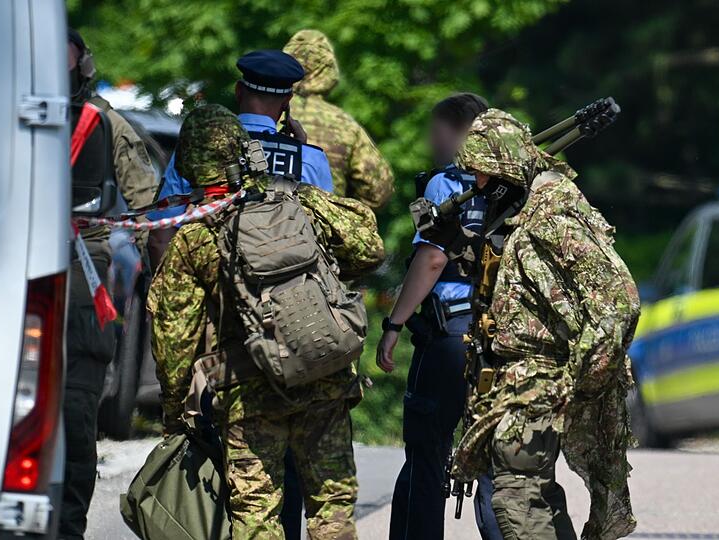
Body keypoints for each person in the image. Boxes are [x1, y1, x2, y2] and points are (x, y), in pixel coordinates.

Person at [149, 104, 385, 539]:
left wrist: (174, 413)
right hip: (323, 375)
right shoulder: (299, 200)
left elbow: (174, 336)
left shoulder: (195, 236)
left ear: (190, 164)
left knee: (257, 515)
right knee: (331, 506)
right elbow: (370, 249)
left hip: (248, 393)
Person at [449, 109, 640, 540]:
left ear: (508, 168)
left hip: (544, 379)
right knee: (528, 494)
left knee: (518, 497)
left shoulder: (552, 216)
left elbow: (619, 302)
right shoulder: (524, 211)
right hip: (522, 379)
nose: (477, 186)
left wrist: (579, 382)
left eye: (483, 174)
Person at [375, 93, 500, 540]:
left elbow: (430, 260)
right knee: (494, 459)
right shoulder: (520, 188)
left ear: (457, 130)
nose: (432, 140)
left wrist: (392, 325)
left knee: (428, 454)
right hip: (504, 336)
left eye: (437, 130)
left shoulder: (447, 185)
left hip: (450, 334)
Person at [61, 29, 157, 540]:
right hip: (81, 271)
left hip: (13, 270)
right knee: (76, 410)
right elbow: (151, 211)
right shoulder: (106, 122)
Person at [146, 49, 334, 267]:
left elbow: (159, 238)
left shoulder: (197, 149)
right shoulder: (310, 159)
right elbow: (325, 239)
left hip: (215, 289)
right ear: (286, 102)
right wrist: (299, 149)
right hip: (289, 293)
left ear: (238, 91)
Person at [283, 29, 393, 209]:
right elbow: (379, 191)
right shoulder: (344, 125)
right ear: (328, 70)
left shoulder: (266, 113)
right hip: (325, 228)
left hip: (263, 228)